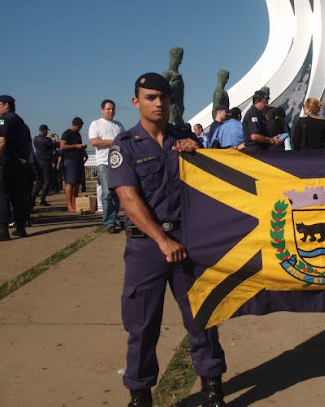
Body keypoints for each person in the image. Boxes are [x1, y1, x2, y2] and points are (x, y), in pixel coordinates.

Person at [109, 73, 226, 407]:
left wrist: (198, 152)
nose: (158, 103)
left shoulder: (184, 138)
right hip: (147, 246)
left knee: (202, 317)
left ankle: (212, 388)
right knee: (142, 325)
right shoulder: (125, 146)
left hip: (189, 241)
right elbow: (129, 200)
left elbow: (211, 185)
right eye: (149, 97)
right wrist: (161, 239)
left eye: (163, 97)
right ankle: (140, 395)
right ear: (136, 102)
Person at [0, 95, 32, 242]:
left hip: (6, 160)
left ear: (6, 105)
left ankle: (3, 230)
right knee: (18, 195)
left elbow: (2, 141)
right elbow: (28, 144)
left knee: (2, 194)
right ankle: (20, 227)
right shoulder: (20, 121)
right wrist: (24, 161)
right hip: (19, 162)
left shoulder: (3, 119)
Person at [89, 100, 125, 233]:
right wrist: (114, 142)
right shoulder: (96, 124)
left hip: (118, 163)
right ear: (102, 110)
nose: (111, 111)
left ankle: (114, 217)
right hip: (104, 162)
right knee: (107, 192)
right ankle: (108, 221)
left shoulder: (119, 125)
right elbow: (94, 141)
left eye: (113, 109)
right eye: (108, 109)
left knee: (117, 193)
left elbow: (125, 142)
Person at [60, 117, 87, 212]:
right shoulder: (67, 133)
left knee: (77, 183)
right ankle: (69, 205)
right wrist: (76, 146)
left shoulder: (78, 134)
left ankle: (75, 203)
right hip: (70, 160)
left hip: (78, 160)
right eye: (79, 127)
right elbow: (62, 146)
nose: (80, 129)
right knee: (70, 183)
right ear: (74, 125)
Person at [33, 124, 59, 206]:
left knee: (39, 181)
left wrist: (48, 138)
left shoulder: (36, 139)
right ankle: (42, 198)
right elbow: (57, 145)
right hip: (46, 162)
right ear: (44, 130)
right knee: (47, 181)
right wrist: (56, 137)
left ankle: (32, 197)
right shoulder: (46, 141)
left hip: (37, 161)